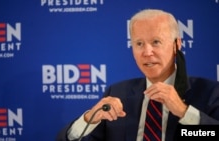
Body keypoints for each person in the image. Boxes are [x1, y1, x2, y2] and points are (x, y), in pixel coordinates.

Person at [56, 9, 219, 141]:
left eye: (156, 42)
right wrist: (88, 119)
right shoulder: (117, 93)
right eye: (139, 44)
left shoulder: (209, 92)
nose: (147, 52)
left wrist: (184, 112)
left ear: (177, 44)